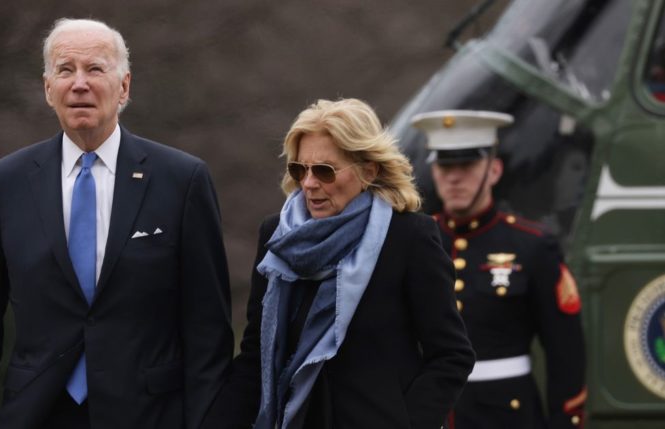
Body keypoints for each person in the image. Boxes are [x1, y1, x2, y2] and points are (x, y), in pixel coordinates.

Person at [0, 18, 233, 429]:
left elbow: (209, 333)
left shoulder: (182, 181)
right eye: (65, 70)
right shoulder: (4, 184)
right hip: (37, 414)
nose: (79, 83)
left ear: (125, 87)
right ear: (48, 89)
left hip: (149, 415)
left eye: (95, 69)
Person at [204, 98, 475, 429]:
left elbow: (451, 355)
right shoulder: (277, 237)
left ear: (368, 170)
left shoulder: (409, 237)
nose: (309, 184)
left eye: (324, 170)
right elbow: (256, 354)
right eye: (299, 169)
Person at [411, 110, 587, 428]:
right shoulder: (414, 243)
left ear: (493, 170)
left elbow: (566, 354)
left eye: (466, 165)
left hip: (508, 416)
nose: (454, 177)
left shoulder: (533, 246)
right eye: (444, 165)